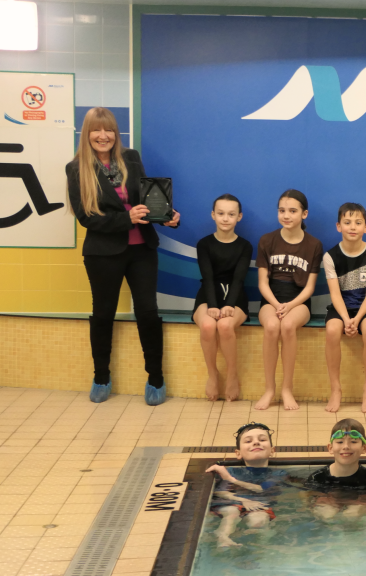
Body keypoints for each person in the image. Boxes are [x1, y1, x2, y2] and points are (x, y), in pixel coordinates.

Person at [66, 106, 180, 406]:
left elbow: (146, 201)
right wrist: (127, 219)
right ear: (86, 133)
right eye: (96, 130)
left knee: (148, 312)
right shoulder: (76, 168)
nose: (103, 136)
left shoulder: (130, 158)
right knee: (103, 313)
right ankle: (101, 376)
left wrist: (166, 217)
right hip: (103, 253)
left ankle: (155, 377)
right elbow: (86, 217)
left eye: (109, 130)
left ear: (116, 133)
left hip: (142, 249)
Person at [255, 189, 323, 410]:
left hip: (299, 301)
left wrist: (290, 306)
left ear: (304, 214)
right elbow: (262, 283)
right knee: (273, 326)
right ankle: (269, 389)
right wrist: (276, 305)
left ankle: (287, 389)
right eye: (282, 210)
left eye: (293, 211)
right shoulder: (267, 240)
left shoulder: (314, 245)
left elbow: (310, 287)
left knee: (288, 325)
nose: (286, 215)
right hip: (271, 299)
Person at [323, 203, 366, 413]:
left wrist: (356, 320)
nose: (352, 227)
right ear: (338, 226)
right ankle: (336, 389)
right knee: (331, 331)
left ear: (365, 227)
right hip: (341, 305)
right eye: (347, 222)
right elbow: (335, 294)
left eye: (358, 223)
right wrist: (346, 319)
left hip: (365, 306)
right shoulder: (330, 256)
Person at [193, 194, 252, 402]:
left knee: (225, 326)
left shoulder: (245, 246)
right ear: (213, 215)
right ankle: (212, 375)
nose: (225, 218)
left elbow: (238, 279)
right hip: (209, 293)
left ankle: (232, 375)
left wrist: (229, 305)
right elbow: (207, 277)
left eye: (231, 214)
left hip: (235, 296)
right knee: (208, 326)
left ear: (239, 217)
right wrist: (212, 305)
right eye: (221, 214)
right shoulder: (204, 244)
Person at [206, 423, 288, 547]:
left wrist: (231, 479)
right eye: (248, 441)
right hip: (233, 503)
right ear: (238, 453)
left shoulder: (278, 473)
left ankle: (260, 549)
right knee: (232, 512)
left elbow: (261, 489)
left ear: (272, 450)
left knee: (260, 519)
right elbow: (218, 492)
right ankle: (223, 538)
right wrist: (242, 500)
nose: (256, 443)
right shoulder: (232, 471)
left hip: (259, 506)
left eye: (262, 439)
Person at [304, 418, 366, 521]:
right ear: (330, 448)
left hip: (357, 507)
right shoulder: (317, 478)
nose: (346, 447)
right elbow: (306, 498)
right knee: (326, 513)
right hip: (328, 508)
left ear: (364, 448)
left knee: (353, 514)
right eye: (340, 442)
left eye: (353, 442)